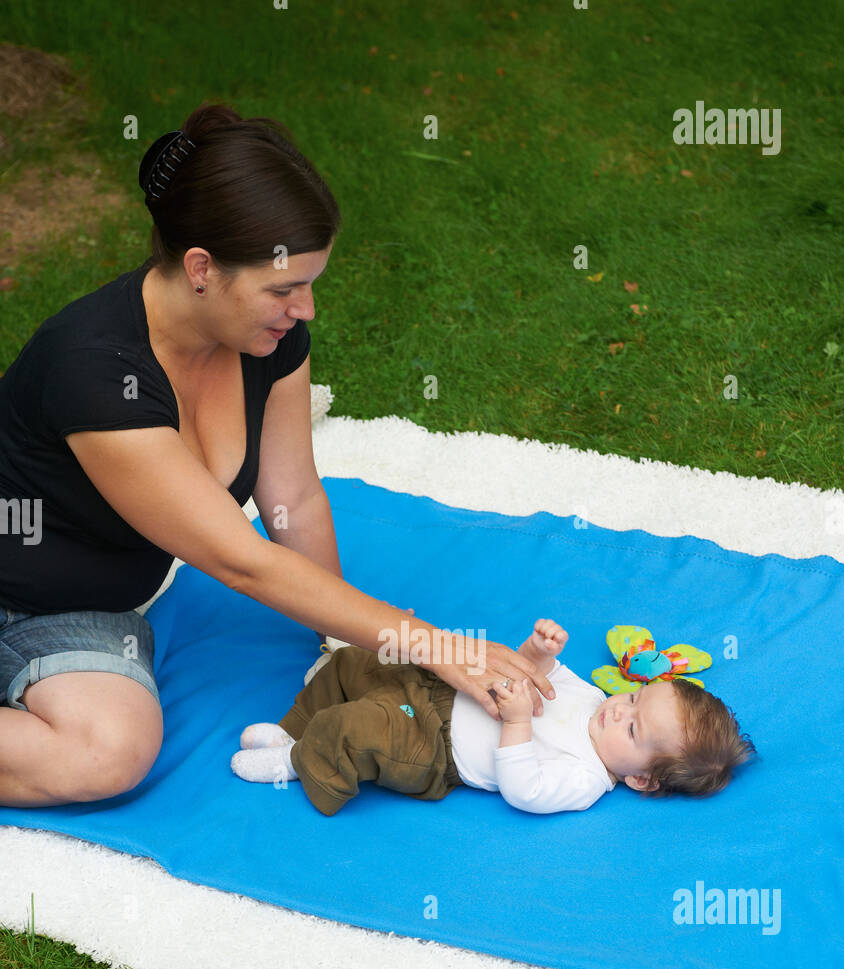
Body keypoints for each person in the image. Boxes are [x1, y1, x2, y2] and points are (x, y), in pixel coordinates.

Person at [0, 103, 555, 809]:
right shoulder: (95, 369)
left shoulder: (269, 339)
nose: (307, 309)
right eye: (285, 288)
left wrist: (345, 646)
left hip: (72, 608)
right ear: (201, 269)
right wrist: (433, 644)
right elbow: (241, 558)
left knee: (109, 755)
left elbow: (293, 495)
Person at [230, 618, 757, 816]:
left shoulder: (585, 778)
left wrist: (519, 722)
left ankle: (299, 761)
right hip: (441, 690)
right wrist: (538, 651)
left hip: (431, 745)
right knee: (355, 661)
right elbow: (545, 677)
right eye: (636, 698)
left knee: (357, 727)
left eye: (633, 727)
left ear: (640, 777)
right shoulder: (597, 702)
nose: (619, 709)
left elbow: (524, 790)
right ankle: (292, 727)